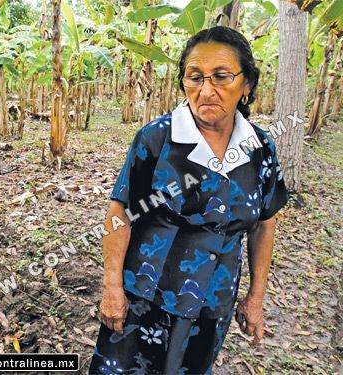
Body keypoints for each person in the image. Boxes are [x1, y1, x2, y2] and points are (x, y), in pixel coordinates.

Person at [88, 26, 289, 374]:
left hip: (213, 302)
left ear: (247, 85)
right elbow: (120, 212)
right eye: (194, 77)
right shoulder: (156, 138)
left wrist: (255, 298)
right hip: (146, 298)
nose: (206, 90)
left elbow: (263, 224)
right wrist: (112, 288)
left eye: (221, 77)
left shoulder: (260, 148)